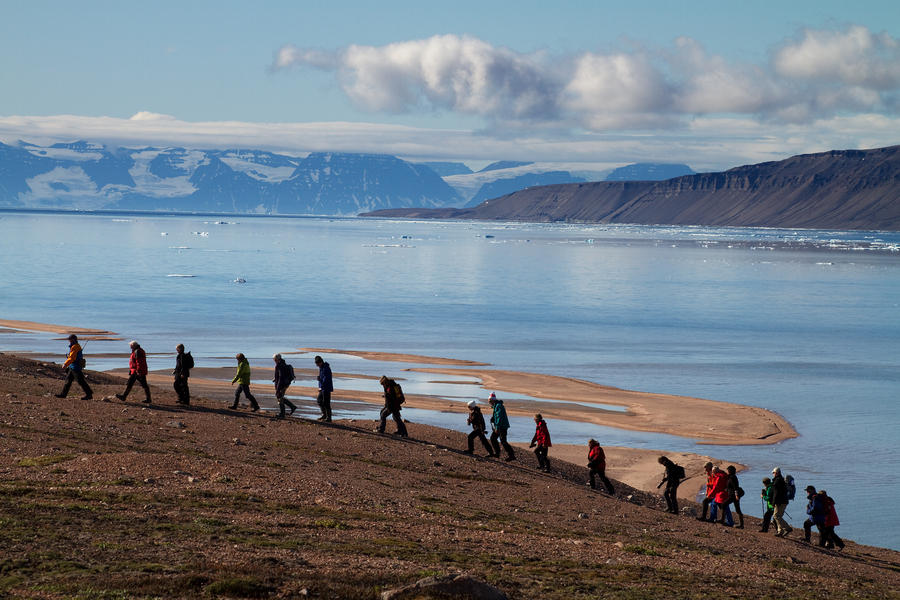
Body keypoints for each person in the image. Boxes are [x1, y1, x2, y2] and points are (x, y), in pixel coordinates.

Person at [55, 334, 93, 400]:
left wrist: (65, 364)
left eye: (69, 339)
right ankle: (63, 394)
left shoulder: (75, 347)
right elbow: (72, 356)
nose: (69, 341)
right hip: (72, 366)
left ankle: (89, 394)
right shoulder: (75, 346)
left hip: (75, 367)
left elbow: (72, 358)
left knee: (80, 381)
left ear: (73, 339)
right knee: (68, 381)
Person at [488, 392, 515, 462]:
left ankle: (511, 455)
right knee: (493, 438)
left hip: (502, 426)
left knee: (503, 441)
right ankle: (497, 453)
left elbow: (499, 417)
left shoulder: (498, 406)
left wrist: (497, 427)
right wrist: (493, 418)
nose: (489, 402)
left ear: (492, 400)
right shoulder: (496, 405)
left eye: (489, 401)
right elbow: (497, 416)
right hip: (500, 426)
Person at [272, 353, 296, 419]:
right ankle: (292, 407)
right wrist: (275, 379)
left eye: (274, 359)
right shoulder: (282, 364)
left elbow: (281, 377)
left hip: (282, 384)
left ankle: (282, 414)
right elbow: (280, 376)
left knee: (280, 398)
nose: (274, 360)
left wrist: (278, 388)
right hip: (285, 383)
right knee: (280, 397)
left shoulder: (280, 365)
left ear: (277, 359)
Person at [771, 467, 793, 537]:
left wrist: (773, 502)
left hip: (780, 502)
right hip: (784, 501)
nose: (773, 474)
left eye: (773, 473)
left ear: (776, 473)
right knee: (779, 516)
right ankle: (780, 531)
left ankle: (787, 528)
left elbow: (776, 493)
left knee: (776, 516)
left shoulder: (777, 481)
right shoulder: (781, 479)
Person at [315, 355, 333, 422]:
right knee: (319, 401)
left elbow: (326, 379)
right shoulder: (321, 367)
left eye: (317, 364)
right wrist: (320, 386)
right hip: (322, 388)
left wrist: (320, 380)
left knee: (326, 403)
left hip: (326, 388)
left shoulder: (326, 368)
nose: (317, 365)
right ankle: (324, 415)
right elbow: (322, 378)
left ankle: (329, 417)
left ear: (320, 362)